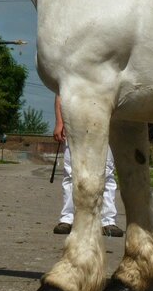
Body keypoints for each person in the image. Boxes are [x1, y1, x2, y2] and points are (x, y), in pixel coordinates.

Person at [52, 95, 124, 237]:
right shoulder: (72, 71)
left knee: (107, 172)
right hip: (73, 125)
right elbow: (61, 94)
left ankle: (107, 220)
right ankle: (68, 219)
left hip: (104, 125)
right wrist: (60, 122)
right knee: (71, 173)